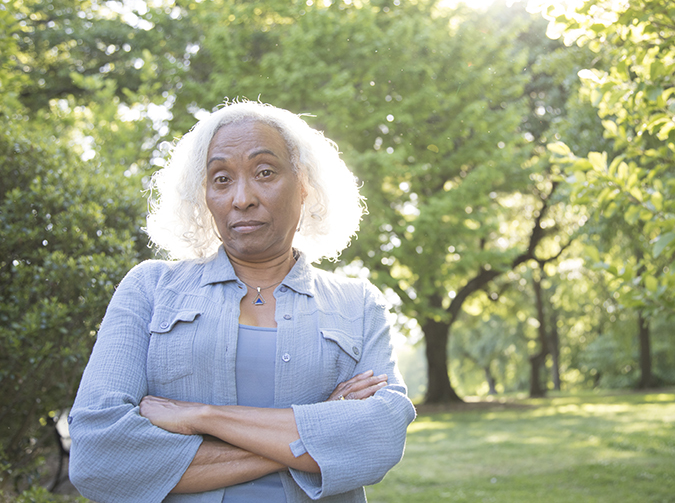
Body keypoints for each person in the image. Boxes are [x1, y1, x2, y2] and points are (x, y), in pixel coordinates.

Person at [68, 101, 416, 503]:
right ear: (204, 196)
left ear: (304, 184)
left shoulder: (359, 303)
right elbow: (97, 458)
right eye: (220, 179)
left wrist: (201, 417)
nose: (242, 198)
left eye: (264, 172)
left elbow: (378, 439)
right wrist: (319, 437)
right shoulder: (150, 288)